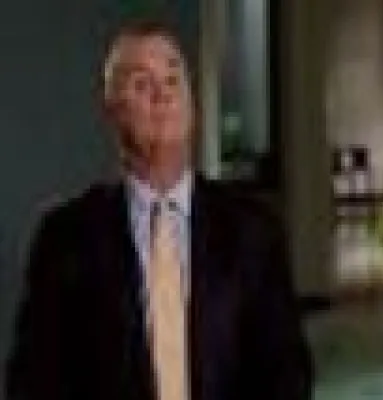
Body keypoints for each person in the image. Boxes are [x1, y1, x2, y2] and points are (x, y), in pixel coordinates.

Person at [5, 17, 313, 400]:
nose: (162, 96)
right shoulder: (66, 238)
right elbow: (33, 383)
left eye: (172, 80)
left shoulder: (252, 230)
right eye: (142, 84)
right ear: (113, 110)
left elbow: (286, 375)